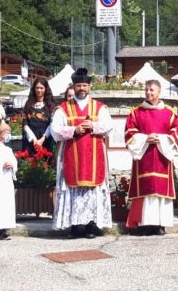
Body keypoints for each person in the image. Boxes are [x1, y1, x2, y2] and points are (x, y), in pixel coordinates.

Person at [51, 68, 115, 239]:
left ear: (89, 87)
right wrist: (74, 129)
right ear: (74, 86)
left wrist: (93, 126)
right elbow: (55, 131)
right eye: (78, 85)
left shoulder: (99, 107)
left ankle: (90, 226)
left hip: (94, 155)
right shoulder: (63, 109)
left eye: (84, 85)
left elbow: (109, 126)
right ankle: (73, 226)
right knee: (72, 190)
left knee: (92, 191)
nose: (81, 88)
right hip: (72, 155)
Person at [125, 80, 178, 235]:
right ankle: (144, 224)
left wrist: (161, 139)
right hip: (145, 157)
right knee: (146, 188)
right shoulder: (136, 112)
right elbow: (129, 132)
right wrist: (145, 139)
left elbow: (175, 132)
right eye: (147, 90)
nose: (148, 93)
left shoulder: (169, 113)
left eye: (152, 90)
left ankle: (160, 224)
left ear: (159, 92)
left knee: (160, 189)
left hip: (161, 157)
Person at [22, 77, 55, 156]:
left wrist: (42, 139)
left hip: (46, 140)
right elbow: (25, 123)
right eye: (37, 88)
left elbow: (52, 123)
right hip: (31, 141)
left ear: (45, 89)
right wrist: (34, 140)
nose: (39, 90)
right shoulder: (28, 104)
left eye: (41, 88)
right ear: (34, 89)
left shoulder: (50, 105)